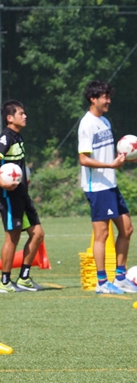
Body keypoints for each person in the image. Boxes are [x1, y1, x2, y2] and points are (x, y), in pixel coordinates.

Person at [77, 80, 137, 294]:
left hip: (110, 184)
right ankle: (102, 282)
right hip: (97, 187)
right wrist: (110, 165)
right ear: (93, 99)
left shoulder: (105, 121)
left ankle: (120, 278)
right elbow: (84, 159)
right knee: (102, 235)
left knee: (127, 229)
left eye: (109, 96)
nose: (109, 101)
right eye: (105, 97)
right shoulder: (87, 124)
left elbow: (105, 154)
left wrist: (124, 158)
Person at [0, 100, 45, 293]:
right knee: (12, 238)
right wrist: (2, 183)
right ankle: (5, 282)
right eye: (21, 113)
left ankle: (24, 278)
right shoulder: (6, 137)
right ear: (10, 118)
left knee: (38, 234)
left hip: (22, 194)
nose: (25, 116)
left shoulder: (18, 136)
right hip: (9, 196)